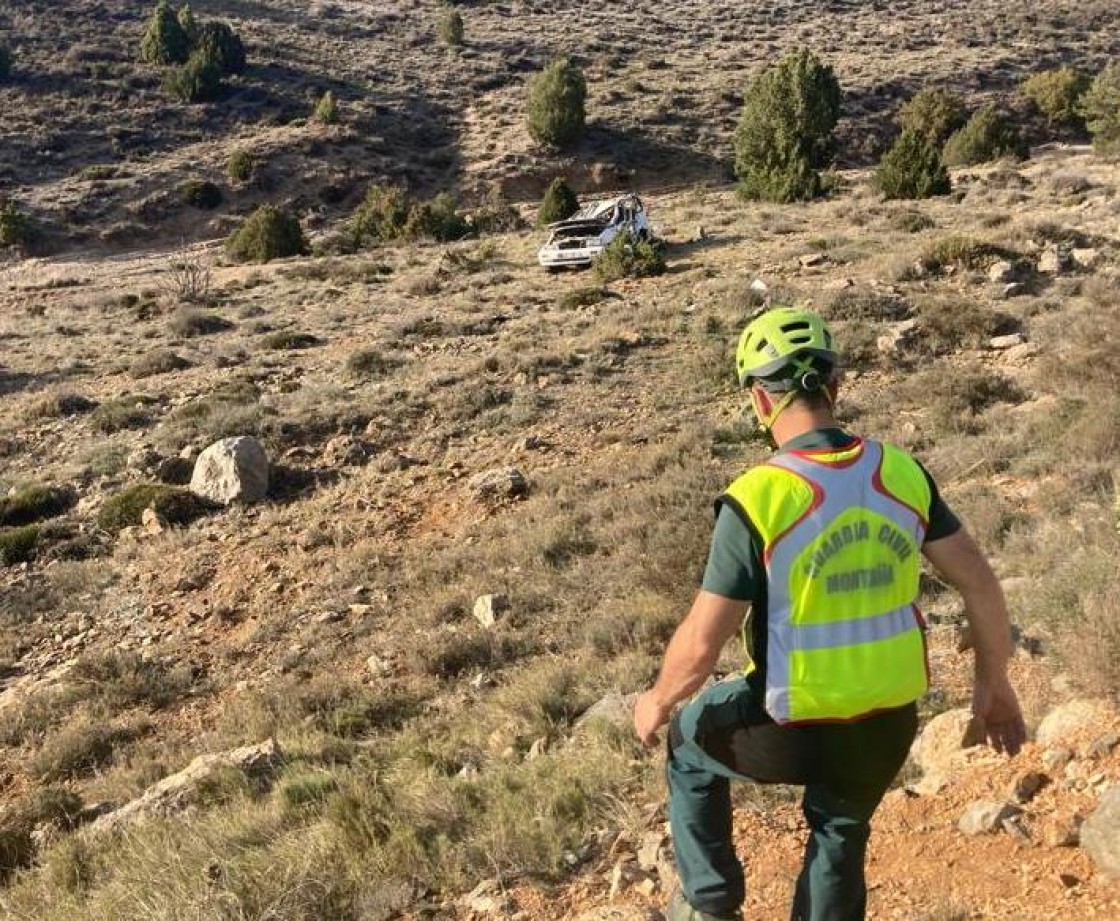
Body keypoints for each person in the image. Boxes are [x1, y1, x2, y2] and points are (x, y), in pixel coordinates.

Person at [633, 307, 1026, 921]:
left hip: (791, 727)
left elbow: (701, 646)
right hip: (887, 720)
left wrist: (657, 702)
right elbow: (980, 584)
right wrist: (994, 687)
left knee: (687, 745)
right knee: (840, 830)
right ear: (835, 385)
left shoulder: (760, 497)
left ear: (761, 400)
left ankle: (710, 907)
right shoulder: (901, 472)